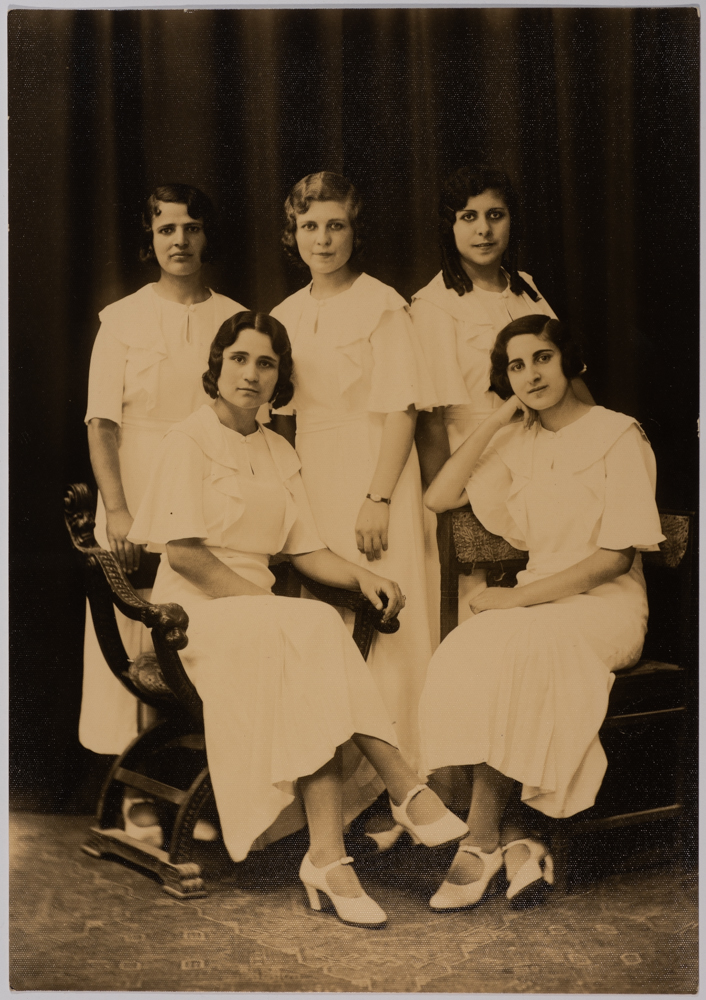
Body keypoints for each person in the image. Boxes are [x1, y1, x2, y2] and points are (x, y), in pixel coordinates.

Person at [128, 311, 468, 927]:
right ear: (217, 365)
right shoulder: (188, 439)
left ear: (279, 377)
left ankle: (328, 858)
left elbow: (306, 550)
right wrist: (266, 607)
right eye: (239, 358)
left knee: (307, 647)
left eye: (266, 363)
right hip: (193, 622)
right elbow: (184, 555)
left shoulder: (277, 449)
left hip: (263, 625)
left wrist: (362, 575)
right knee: (309, 627)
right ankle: (403, 786)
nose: (251, 374)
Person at [419, 313, 664, 911]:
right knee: (469, 645)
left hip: (605, 607)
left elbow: (614, 558)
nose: (531, 374)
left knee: (522, 646)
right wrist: (499, 416)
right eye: (516, 366)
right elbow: (439, 495)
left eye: (542, 358)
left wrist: (516, 598)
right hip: (539, 607)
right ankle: (518, 833)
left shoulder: (618, 435)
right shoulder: (521, 441)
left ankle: (479, 841)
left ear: (570, 360)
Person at [269, 172, 437, 849]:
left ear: (353, 231)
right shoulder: (283, 313)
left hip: (377, 473)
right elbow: (284, 420)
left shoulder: (382, 304)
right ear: (293, 234)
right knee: (335, 632)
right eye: (310, 226)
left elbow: (402, 409)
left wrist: (378, 497)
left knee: (393, 634)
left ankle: (404, 798)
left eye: (335, 225)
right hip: (315, 477)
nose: (323, 238)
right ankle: (344, 803)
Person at [81, 184, 245, 841]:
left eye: (192, 227)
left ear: (207, 236)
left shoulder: (233, 317)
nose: (180, 240)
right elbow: (101, 425)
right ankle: (136, 793)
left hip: (208, 496)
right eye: (166, 229)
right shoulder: (121, 320)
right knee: (138, 636)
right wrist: (119, 511)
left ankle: (201, 790)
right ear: (149, 239)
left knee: (206, 634)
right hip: (134, 493)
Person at [411, 164, 594, 628]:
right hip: (479, 455)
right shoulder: (434, 304)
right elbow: (431, 417)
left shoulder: (525, 289)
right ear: (449, 226)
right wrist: (445, 507)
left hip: (542, 443)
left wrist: (600, 440)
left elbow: (569, 378)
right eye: (468, 217)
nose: (484, 230)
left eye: (495, 215)